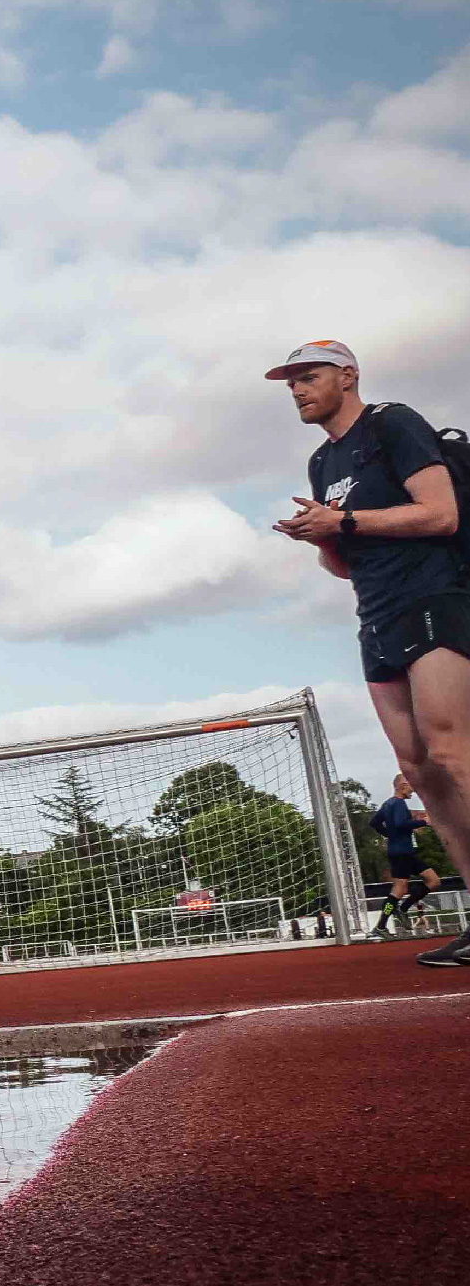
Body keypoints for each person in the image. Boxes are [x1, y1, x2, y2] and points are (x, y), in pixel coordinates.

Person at [269, 341, 470, 967]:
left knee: (451, 748)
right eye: (291, 382)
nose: (298, 389)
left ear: (347, 376)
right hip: (375, 615)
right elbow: (342, 563)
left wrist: (346, 523)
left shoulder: (394, 423)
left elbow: (441, 514)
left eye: (310, 377)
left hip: (434, 596)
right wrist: (320, 538)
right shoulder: (322, 461)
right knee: (420, 769)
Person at [369, 772, 451, 936]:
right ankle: (381, 926)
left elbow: (374, 823)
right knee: (399, 889)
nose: (412, 790)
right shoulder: (398, 803)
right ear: (402, 785)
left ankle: (403, 909)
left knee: (433, 880)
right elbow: (401, 823)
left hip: (403, 851)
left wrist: (388, 835)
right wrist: (424, 822)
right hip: (401, 853)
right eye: (411, 786)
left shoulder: (387, 804)